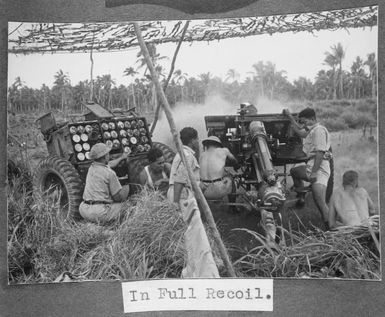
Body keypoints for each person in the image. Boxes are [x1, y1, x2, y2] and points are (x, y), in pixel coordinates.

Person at [283, 107, 332, 227]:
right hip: (312, 165)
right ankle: (301, 198)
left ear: (312, 119)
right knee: (294, 171)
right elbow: (300, 132)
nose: (302, 124)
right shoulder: (312, 130)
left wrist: (314, 173)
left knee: (319, 200)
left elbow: (320, 153)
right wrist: (290, 117)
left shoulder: (319, 131)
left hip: (319, 167)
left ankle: (331, 227)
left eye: (304, 121)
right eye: (301, 122)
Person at [79, 143, 130, 224]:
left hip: (84, 209)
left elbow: (109, 164)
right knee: (128, 206)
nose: (109, 155)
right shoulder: (110, 173)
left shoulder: (91, 167)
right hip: (99, 212)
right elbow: (117, 198)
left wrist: (122, 157)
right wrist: (126, 189)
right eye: (108, 153)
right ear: (105, 156)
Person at [167, 127, 200, 206]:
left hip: (180, 193)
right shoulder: (187, 156)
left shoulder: (183, 153)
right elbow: (179, 179)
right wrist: (176, 202)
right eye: (197, 139)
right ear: (192, 141)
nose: (198, 141)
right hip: (181, 194)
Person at [199, 135, 239, 201]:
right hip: (217, 191)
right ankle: (233, 208)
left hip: (202, 190)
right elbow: (234, 160)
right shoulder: (224, 150)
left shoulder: (202, 155)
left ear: (207, 144)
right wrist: (236, 166)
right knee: (230, 178)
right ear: (218, 144)